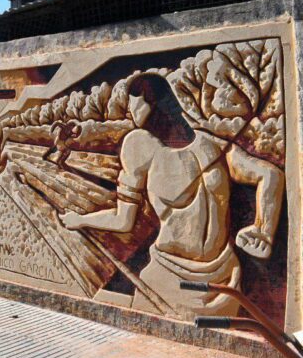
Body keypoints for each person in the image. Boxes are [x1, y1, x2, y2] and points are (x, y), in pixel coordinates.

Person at [59, 74, 283, 318]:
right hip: (179, 277)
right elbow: (124, 220)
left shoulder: (203, 145)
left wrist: (263, 231)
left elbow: (270, 175)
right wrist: (80, 220)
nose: (130, 114)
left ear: (151, 102)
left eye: (133, 105)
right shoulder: (174, 146)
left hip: (218, 281)